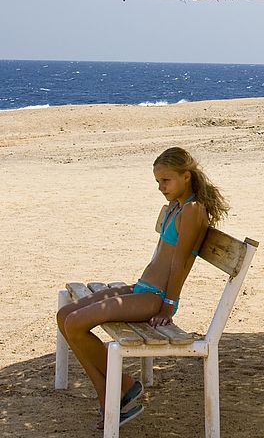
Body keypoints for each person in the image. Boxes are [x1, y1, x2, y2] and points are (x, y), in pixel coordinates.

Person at [56, 147, 229, 430]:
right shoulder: (177, 205)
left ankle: (118, 390)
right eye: (158, 182)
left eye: (166, 181)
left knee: (75, 323)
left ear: (186, 176)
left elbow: (180, 261)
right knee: (65, 315)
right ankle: (113, 393)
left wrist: (168, 305)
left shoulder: (193, 211)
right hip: (141, 288)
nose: (161, 187)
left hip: (154, 297)